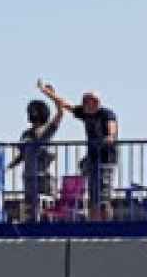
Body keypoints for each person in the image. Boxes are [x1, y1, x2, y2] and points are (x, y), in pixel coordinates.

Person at [57, 89, 119, 220]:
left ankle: (106, 225)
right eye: (84, 103)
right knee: (93, 197)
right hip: (92, 159)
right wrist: (48, 93)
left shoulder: (106, 114)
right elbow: (66, 104)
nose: (85, 106)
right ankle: (94, 224)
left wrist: (110, 137)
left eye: (88, 103)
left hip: (106, 160)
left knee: (104, 197)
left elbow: (111, 128)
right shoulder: (85, 113)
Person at [10, 81, 66, 221]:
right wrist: (9, 165)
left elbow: (60, 113)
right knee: (30, 210)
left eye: (35, 110)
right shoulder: (26, 133)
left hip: (44, 178)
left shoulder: (47, 129)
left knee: (46, 209)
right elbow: (23, 154)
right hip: (29, 177)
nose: (32, 113)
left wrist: (52, 95)